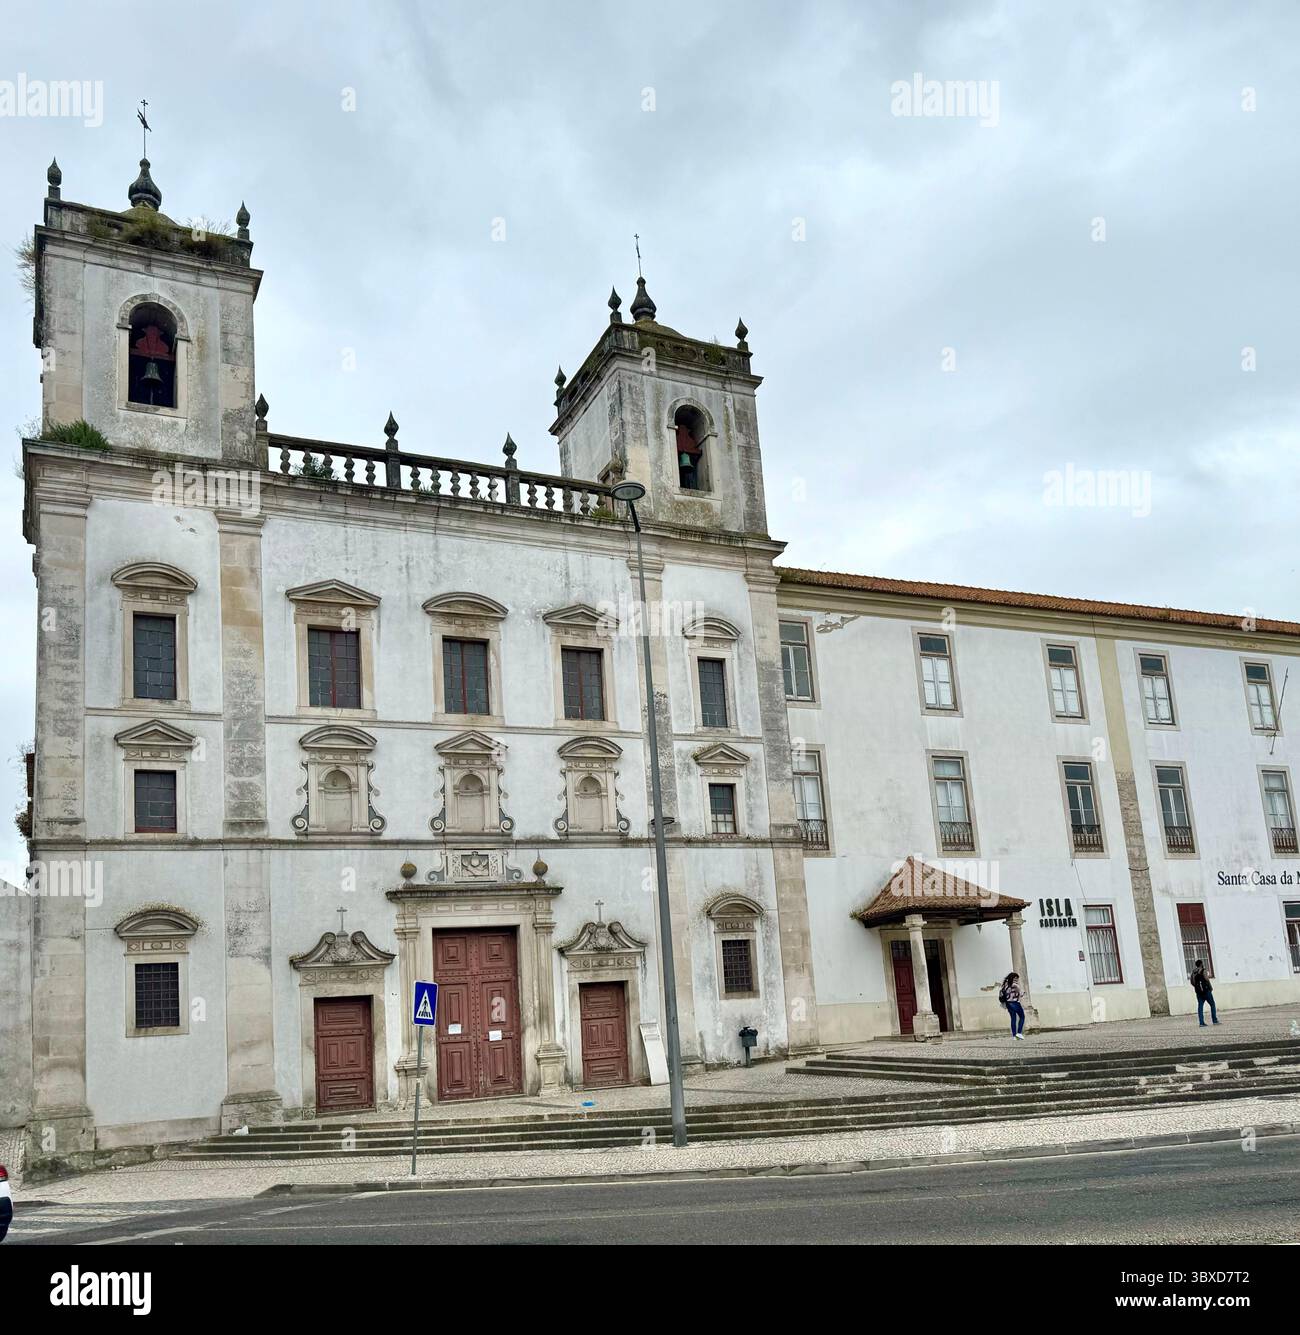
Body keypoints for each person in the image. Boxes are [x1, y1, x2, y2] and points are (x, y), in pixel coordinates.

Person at [1190, 960, 1218, 1026]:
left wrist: (1197, 987)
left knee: (1200, 1006)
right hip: (1206, 991)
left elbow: (1192, 982)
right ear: (1201, 964)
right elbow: (1206, 979)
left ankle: (1201, 1022)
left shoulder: (1193, 972)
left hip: (1198, 992)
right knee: (1212, 1004)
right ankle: (1214, 1020)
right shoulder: (1203, 970)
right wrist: (1210, 987)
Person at [999, 971, 1026, 1039]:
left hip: (1008, 1003)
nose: (1016, 980)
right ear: (1012, 978)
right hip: (1014, 1003)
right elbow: (1021, 993)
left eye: (1017, 978)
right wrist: (1022, 993)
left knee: (1013, 1019)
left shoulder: (1005, 985)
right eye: (1015, 978)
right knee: (1022, 1017)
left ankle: (1014, 1036)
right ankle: (1019, 1033)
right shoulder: (1015, 985)